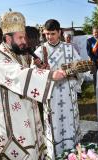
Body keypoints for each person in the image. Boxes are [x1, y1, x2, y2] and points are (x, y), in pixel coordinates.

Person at [0, 11, 66, 160]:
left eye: (24, 36)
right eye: (20, 37)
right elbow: (19, 75)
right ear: (7, 38)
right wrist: (50, 75)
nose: (24, 41)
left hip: (28, 114)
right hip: (14, 121)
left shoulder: (18, 55)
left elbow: (28, 74)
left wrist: (39, 69)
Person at [34, 19, 83, 159]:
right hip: (51, 96)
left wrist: (75, 72)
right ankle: (55, 154)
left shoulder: (69, 48)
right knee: (54, 124)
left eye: (53, 33)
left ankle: (73, 153)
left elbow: (80, 67)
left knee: (70, 123)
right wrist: (44, 73)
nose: (49, 37)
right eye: (47, 34)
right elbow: (33, 74)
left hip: (68, 93)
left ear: (60, 32)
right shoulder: (39, 52)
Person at [86, 26, 98, 92]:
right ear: (92, 33)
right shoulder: (89, 41)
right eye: (94, 32)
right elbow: (89, 53)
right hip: (94, 63)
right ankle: (97, 92)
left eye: (97, 32)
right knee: (96, 78)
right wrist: (96, 60)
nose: (96, 34)